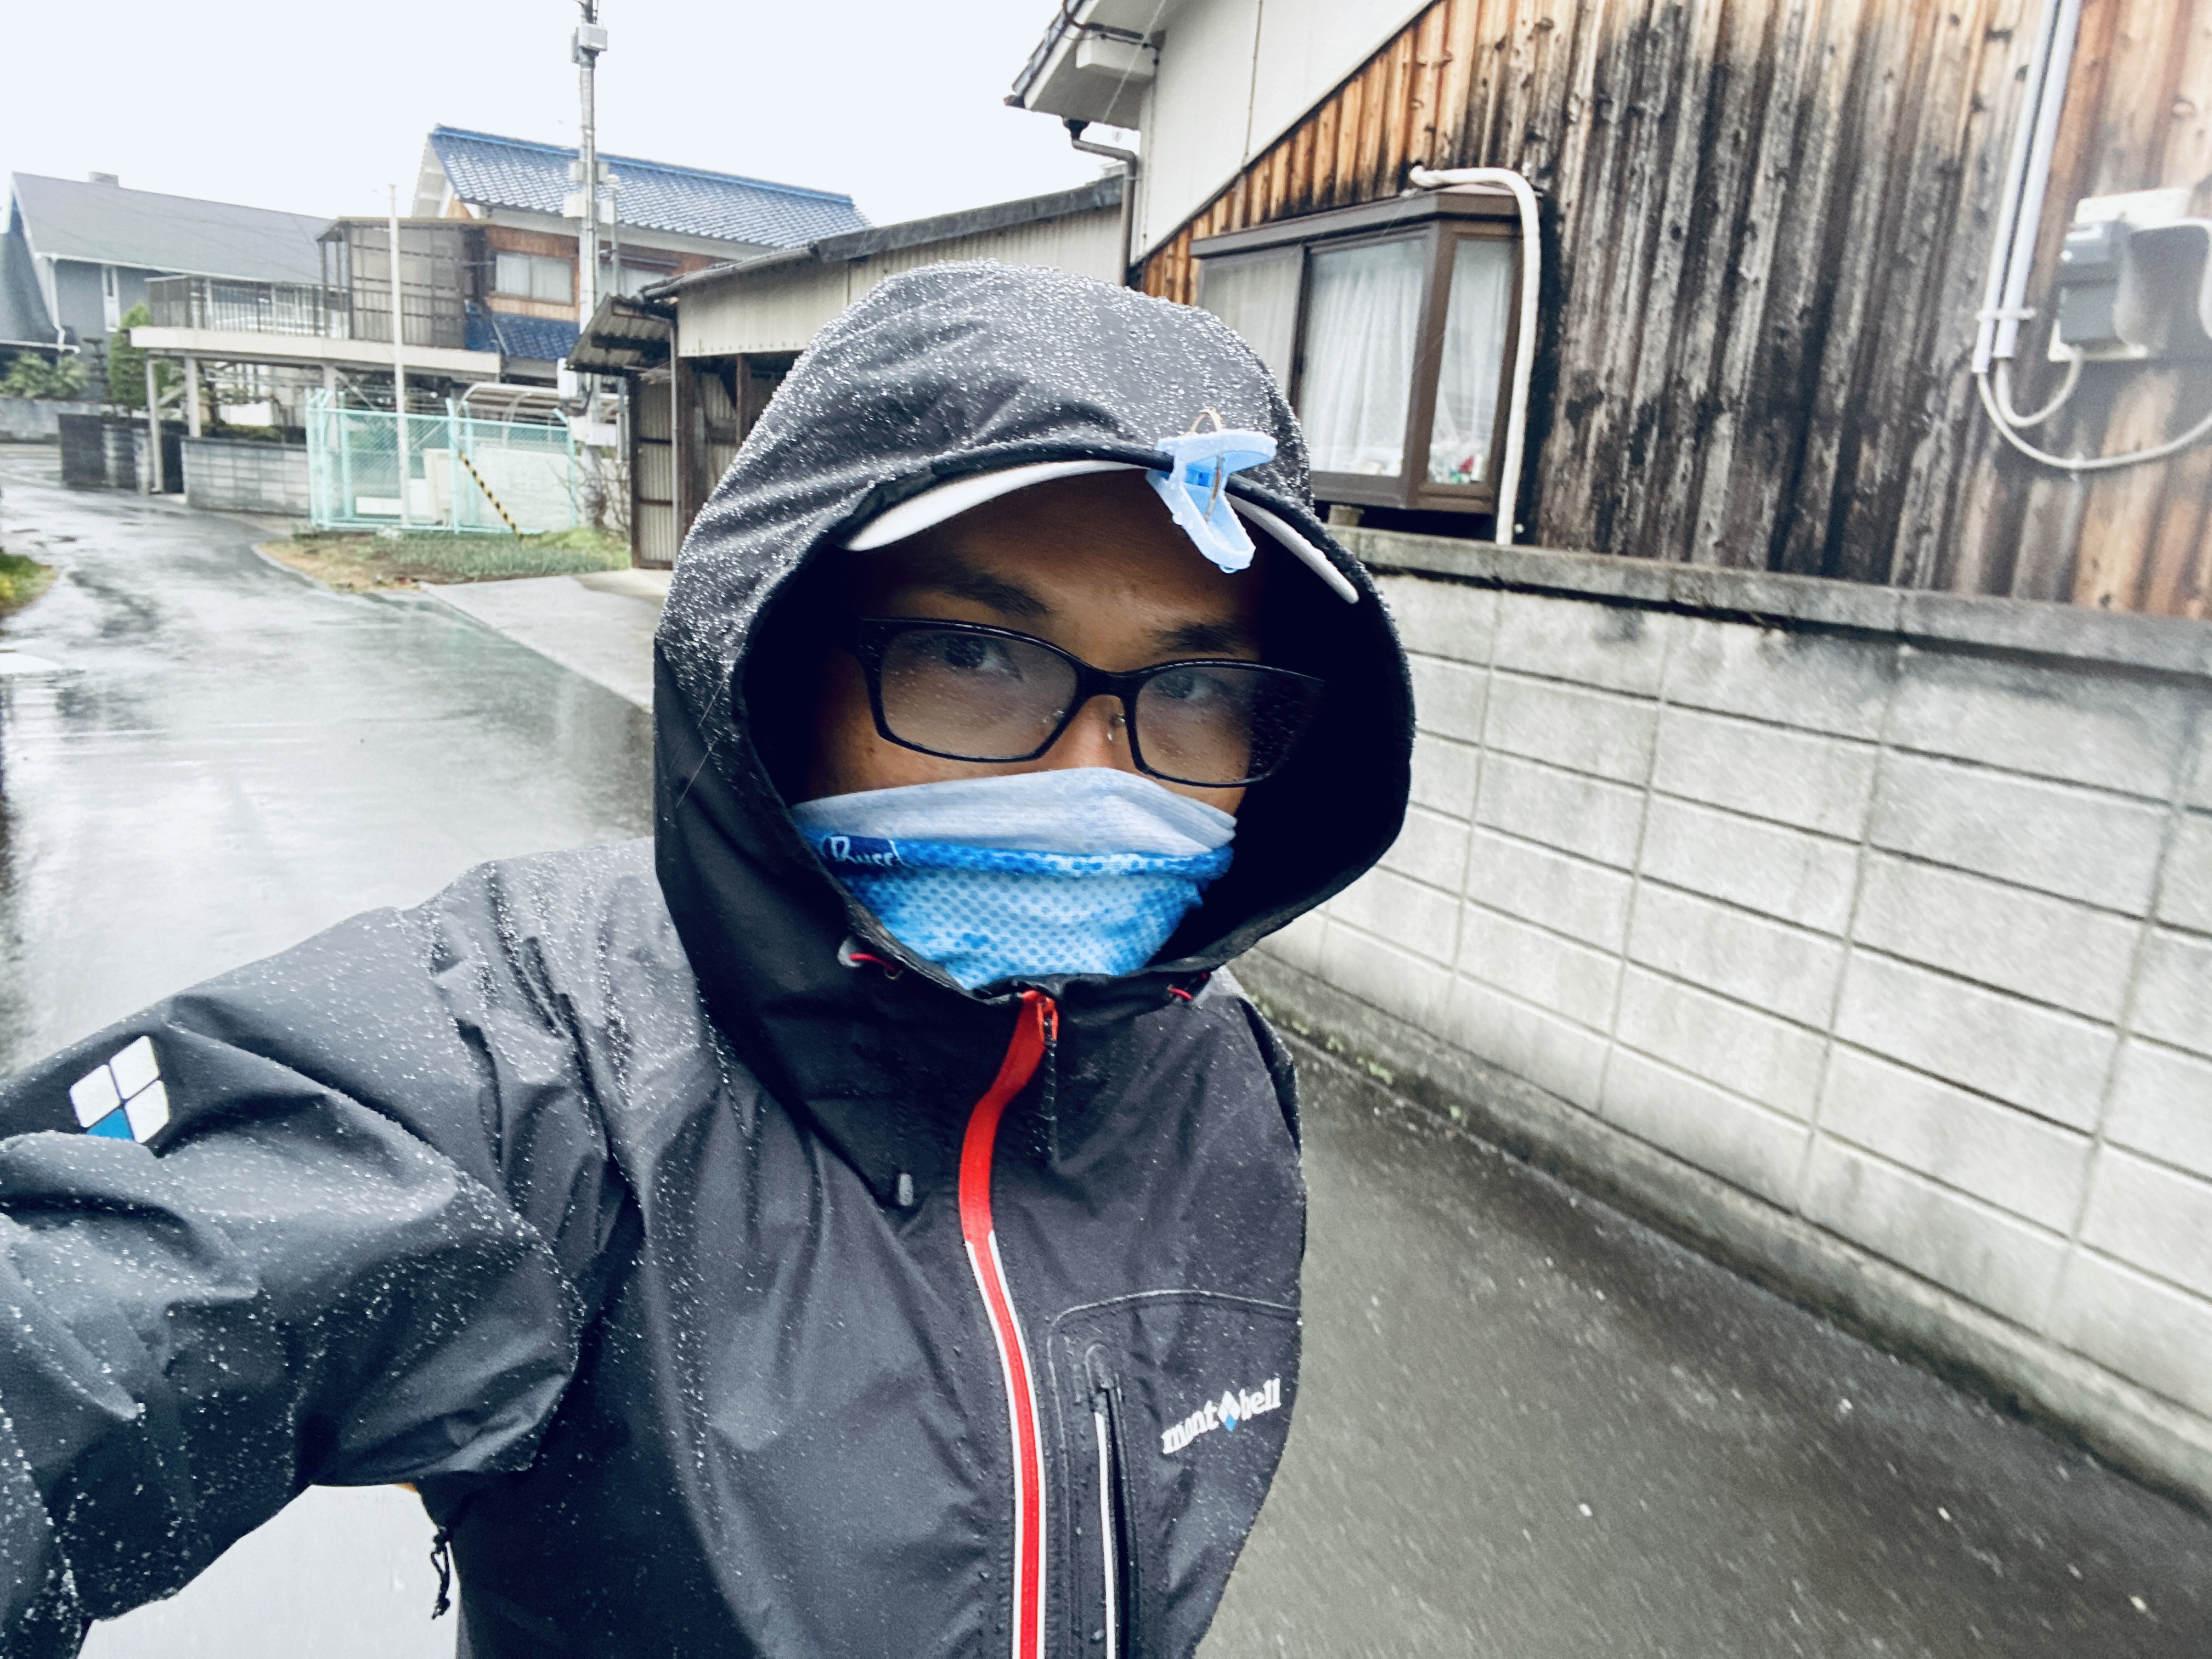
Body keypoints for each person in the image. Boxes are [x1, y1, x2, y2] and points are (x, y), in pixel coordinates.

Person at [0, 263, 1410, 1657]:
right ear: (779, 667)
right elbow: (95, 1317)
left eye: (1198, 684)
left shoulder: (1214, 1069)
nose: (1098, 773)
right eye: (976, 657)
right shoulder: (533, 1056)